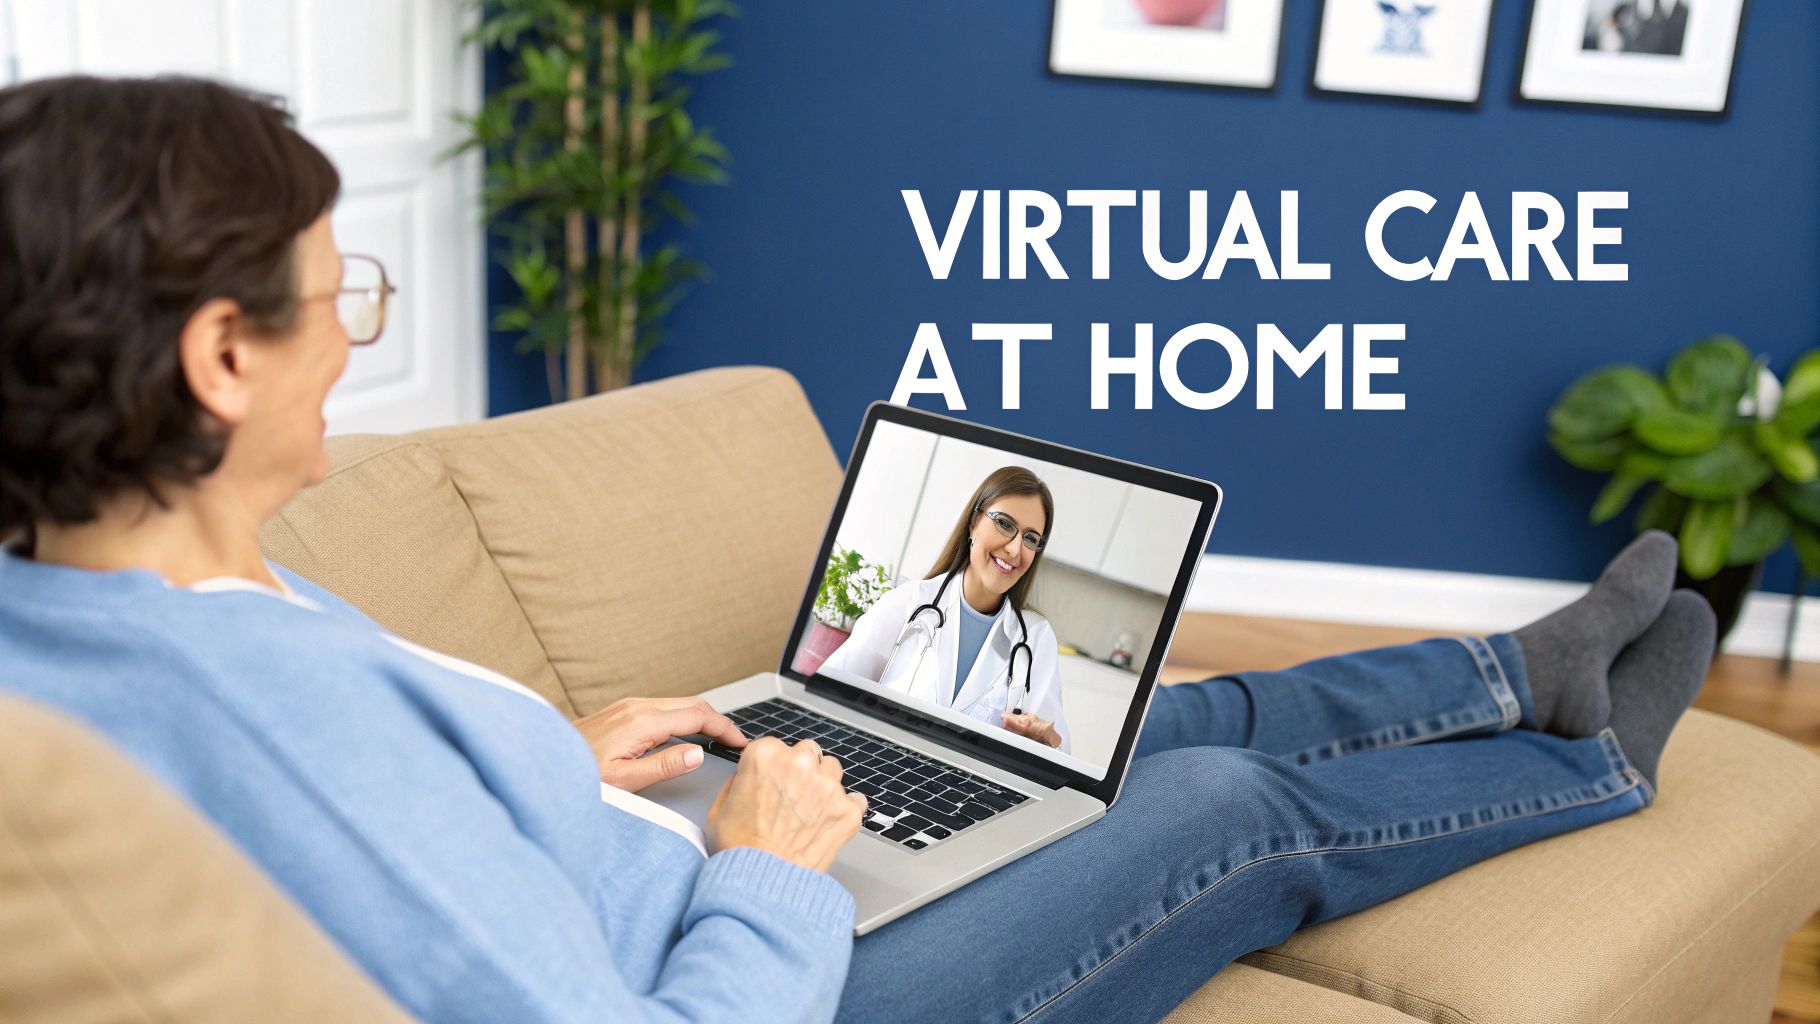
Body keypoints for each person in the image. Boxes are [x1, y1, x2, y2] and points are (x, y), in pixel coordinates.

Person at [0, 76, 1714, 1024]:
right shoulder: (254, 727)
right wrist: (764, 864)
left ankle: (1512, 669)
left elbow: (426, 833)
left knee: (1130, 725)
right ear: (223, 354)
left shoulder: (105, 593)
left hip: (660, 874)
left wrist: (553, 764)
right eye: (331, 298)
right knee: (1211, 808)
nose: (352, 341)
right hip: (775, 973)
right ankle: (1592, 766)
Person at [819, 467, 1069, 750]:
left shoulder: (1036, 639)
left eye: (1031, 539)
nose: (1014, 549)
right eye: (1005, 524)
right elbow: (827, 694)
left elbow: (1058, 757)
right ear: (974, 522)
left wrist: (1049, 742)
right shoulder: (910, 602)